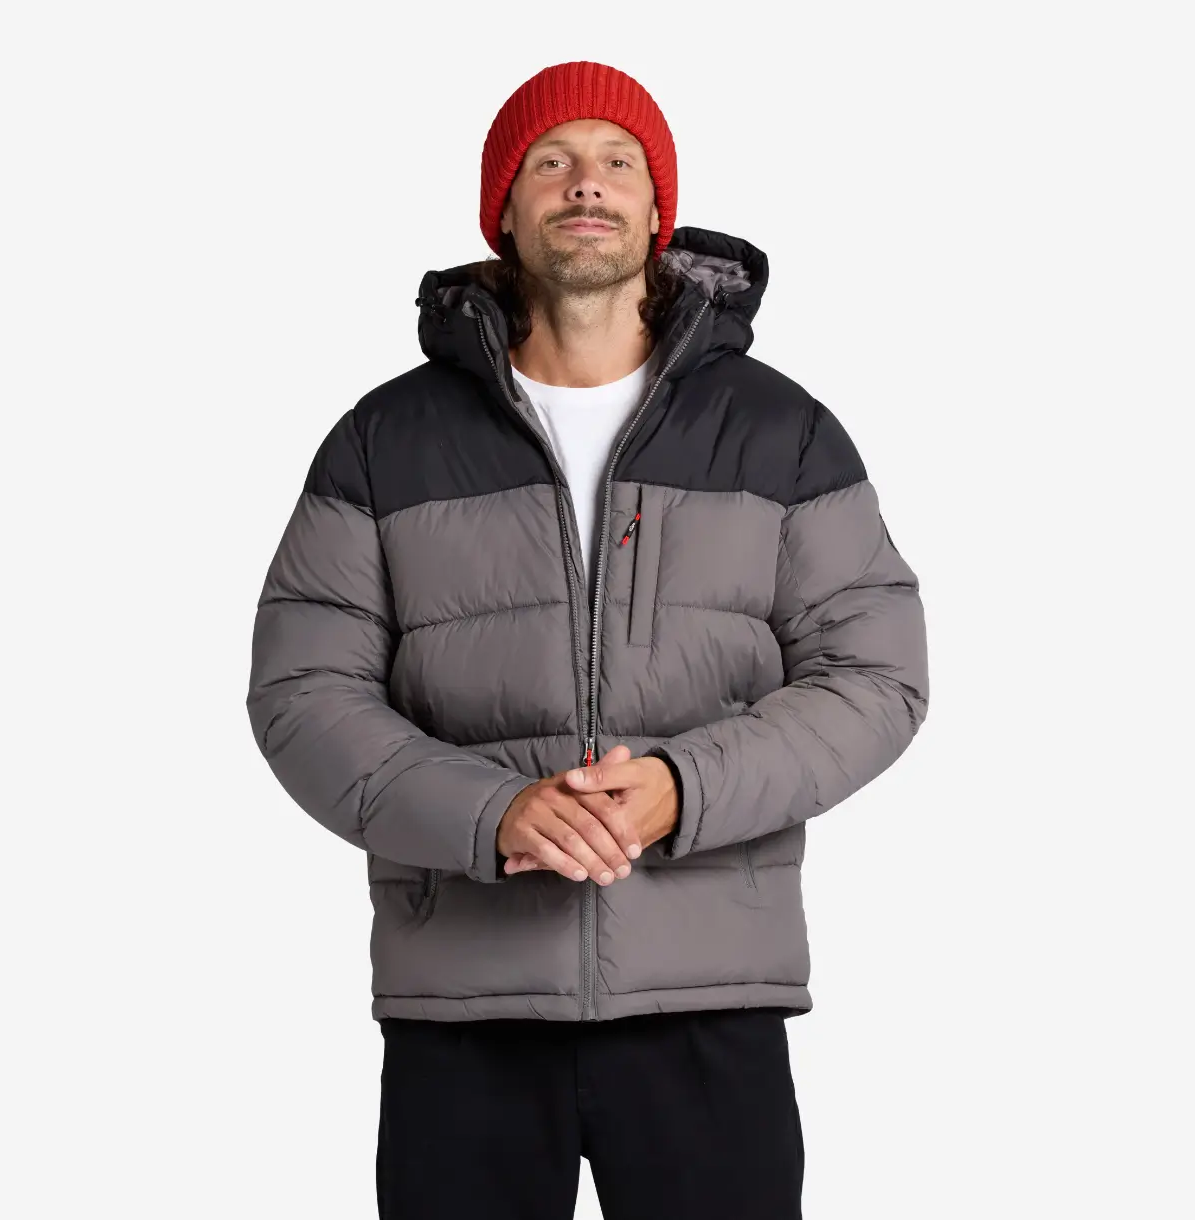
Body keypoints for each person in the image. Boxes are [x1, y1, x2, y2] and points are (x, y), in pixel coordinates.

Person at [245, 59, 929, 1220]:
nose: (585, 183)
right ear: (502, 210)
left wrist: (682, 786)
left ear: (656, 208)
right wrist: (487, 811)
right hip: (465, 999)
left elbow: (875, 674)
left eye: (617, 161)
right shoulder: (382, 440)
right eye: (549, 162)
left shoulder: (781, 432)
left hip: (705, 992)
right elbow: (302, 691)